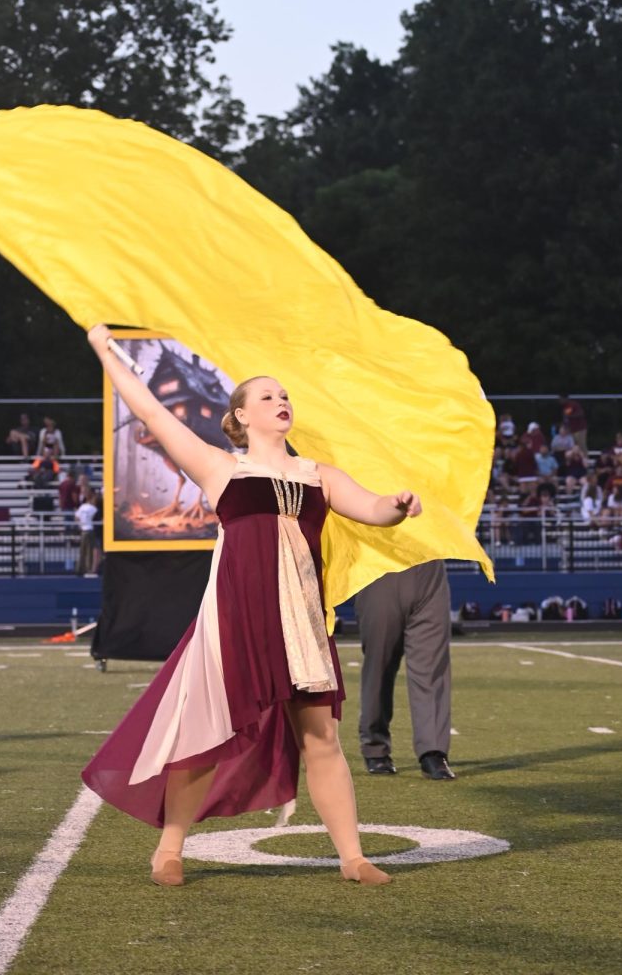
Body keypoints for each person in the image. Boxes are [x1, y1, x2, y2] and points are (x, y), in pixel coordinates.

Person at [82, 324, 422, 888]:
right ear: (240, 417)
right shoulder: (220, 467)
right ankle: (169, 849)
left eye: (285, 395)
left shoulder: (319, 474)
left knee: (321, 737)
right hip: (235, 619)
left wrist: (397, 505)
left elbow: (372, 508)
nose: (281, 402)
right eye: (267, 396)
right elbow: (150, 412)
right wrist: (103, 350)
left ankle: (352, 857)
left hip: (302, 624)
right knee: (205, 733)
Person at [356, 561, 455, 781]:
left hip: (429, 565)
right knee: (379, 666)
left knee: (432, 667)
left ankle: (433, 751)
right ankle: (375, 746)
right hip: (379, 564)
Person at [75, 491, 98, 574]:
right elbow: (96, 518)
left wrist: (81, 525)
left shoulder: (82, 507)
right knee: (89, 551)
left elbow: (76, 517)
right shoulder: (93, 508)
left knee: (82, 551)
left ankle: (79, 569)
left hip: (83, 531)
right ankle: (88, 569)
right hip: (90, 530)